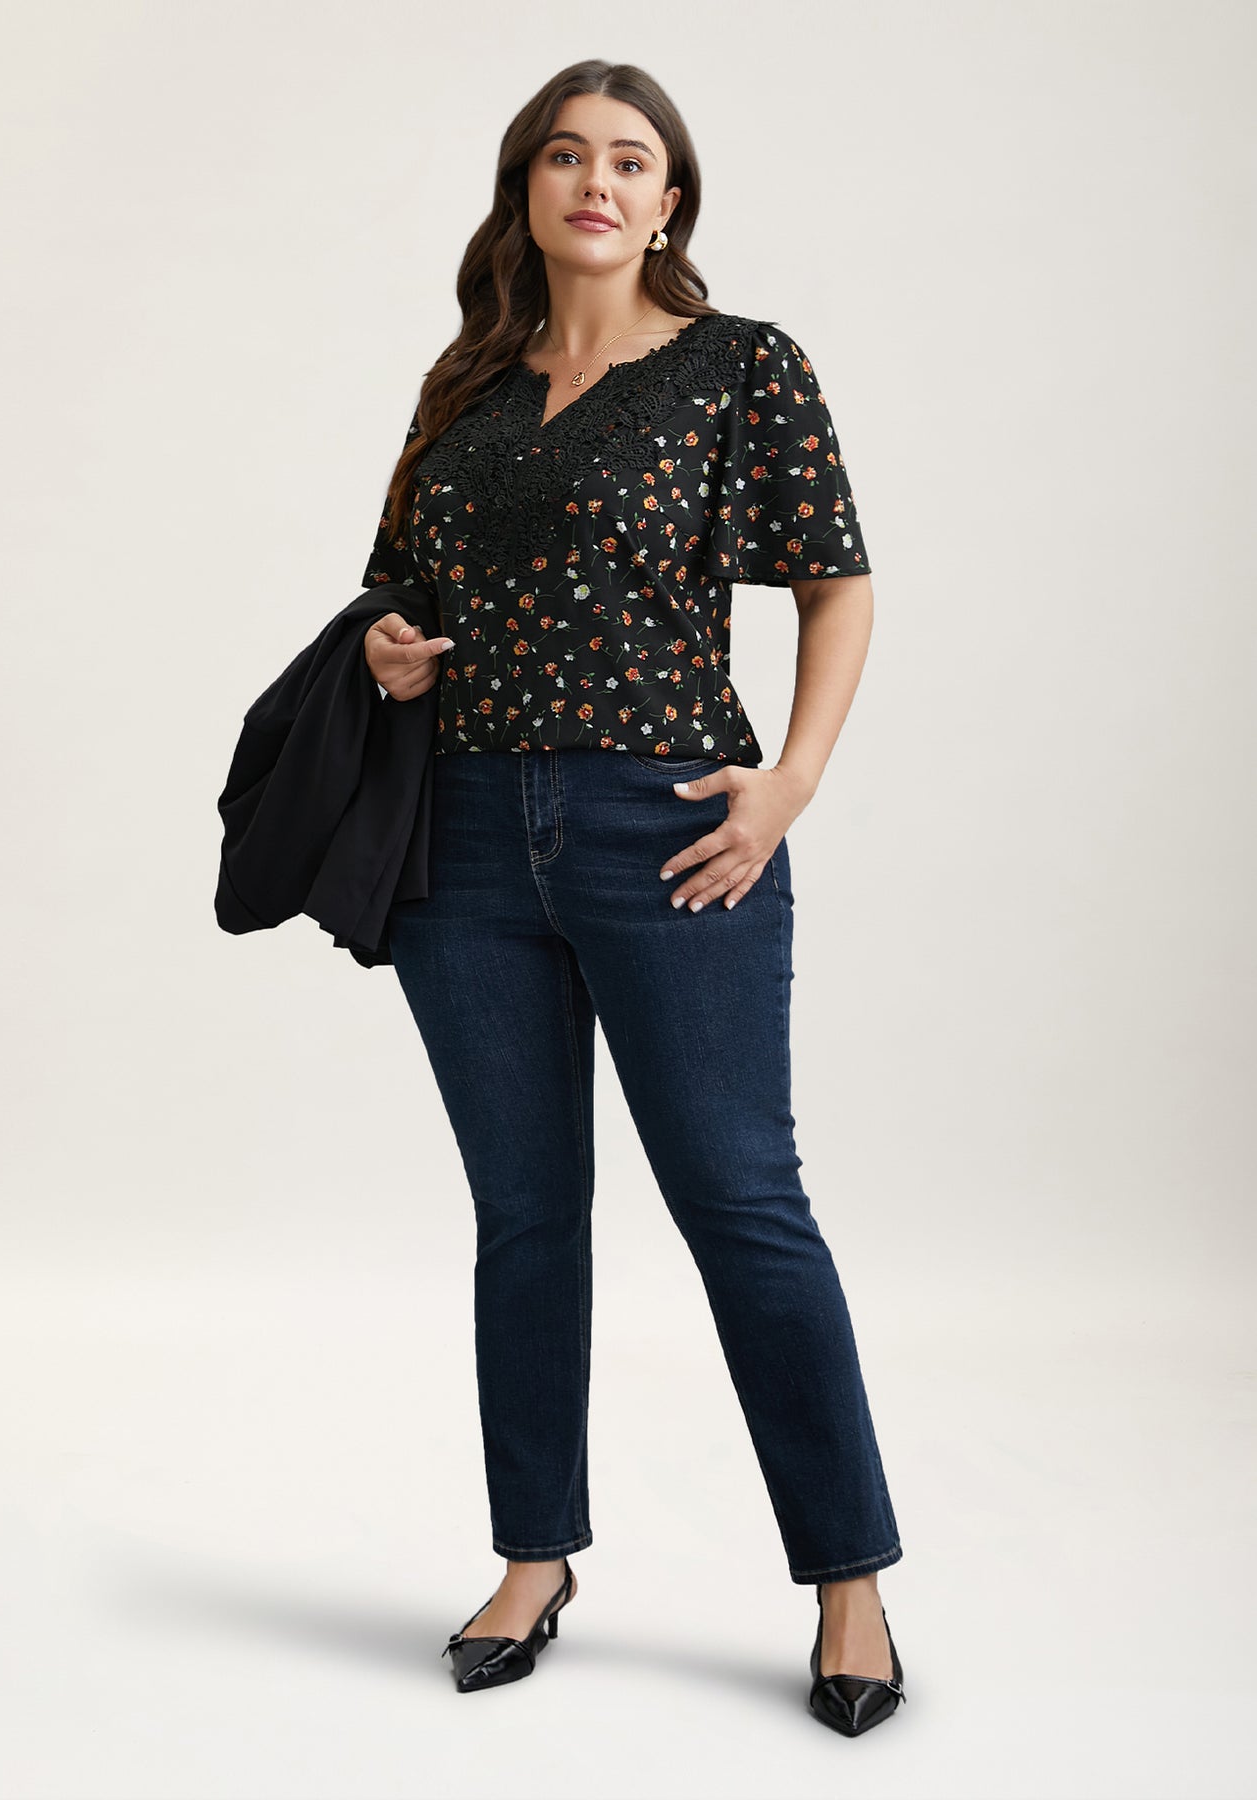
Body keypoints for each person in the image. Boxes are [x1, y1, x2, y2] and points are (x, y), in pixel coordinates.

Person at [360, 59, 908, 1737]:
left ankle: (848, 1583)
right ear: (525, 189)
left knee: (742, 1201)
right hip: (462, 840)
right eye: (563, 155)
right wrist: (392, 646)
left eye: (628, 159)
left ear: (669, 202)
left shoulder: (741, 366)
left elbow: (835, 585)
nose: (593, 181)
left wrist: (788, 781)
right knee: (524, 1213)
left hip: (665, 831)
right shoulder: (466, 381)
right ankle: (534, 1556)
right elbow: (398, 588)